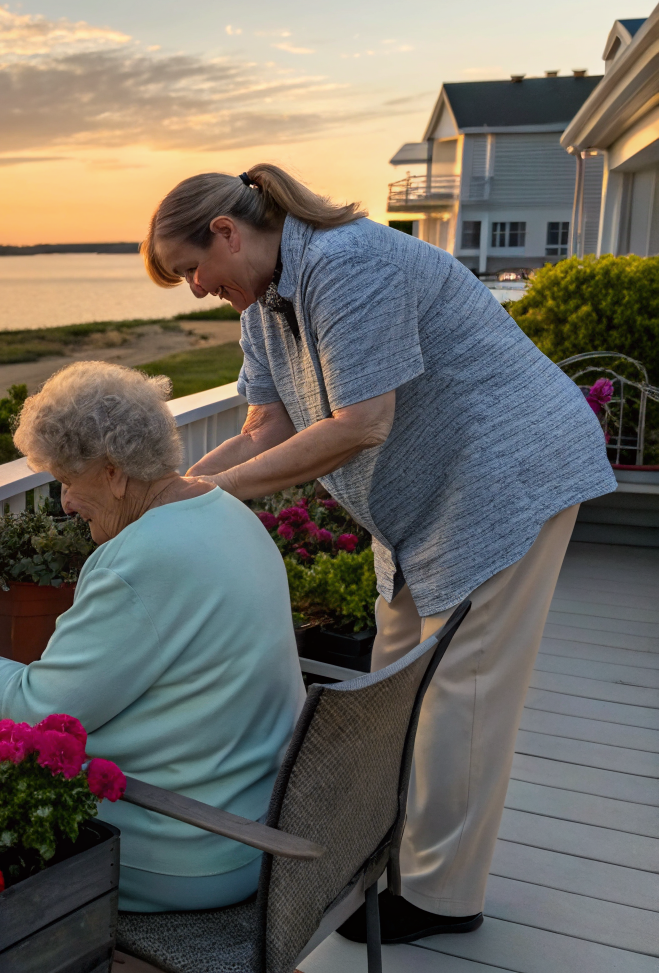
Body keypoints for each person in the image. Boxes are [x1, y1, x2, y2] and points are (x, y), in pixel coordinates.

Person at [142, 164, 615, 942]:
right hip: (421, 508)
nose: (194, 288)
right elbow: (267, 428)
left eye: (192, 269)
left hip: (504, 479)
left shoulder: (346, 263)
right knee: (393, 686)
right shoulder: (264, 306)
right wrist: (180, 486)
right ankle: (387, 862)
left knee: (457, 692)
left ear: (225, 232)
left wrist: (211, 497)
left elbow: (360, 423)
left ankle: (439, 897)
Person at [0, 361, 305, 913]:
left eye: (67, 482)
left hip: (185, 851)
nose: (65, 504)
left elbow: (41, 708)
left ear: (113, 471)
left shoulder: (140, 561)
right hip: (255, 824)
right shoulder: (227, 512)